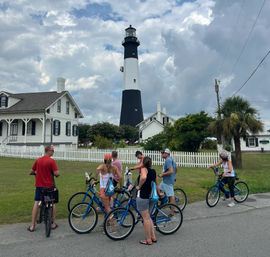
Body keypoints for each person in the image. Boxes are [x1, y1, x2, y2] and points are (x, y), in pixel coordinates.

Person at [28, 145, 60, 232]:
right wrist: (55, 174)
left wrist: (36, 173)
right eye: (52, 150)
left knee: (36, 203)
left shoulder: (38, 160)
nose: (53, 152)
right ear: (48, 151)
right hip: (49, 187)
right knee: (52, 203)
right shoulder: (51, 161)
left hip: (39, 186)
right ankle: (53, 224)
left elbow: (31, 171)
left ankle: (32, 226)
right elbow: (57, 173)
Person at [136, 156, 160, 245]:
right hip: (151, 196)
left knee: (145, 219)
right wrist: (159, 193)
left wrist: (139, 186)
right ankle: (153, 237)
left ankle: (148, 239)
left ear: (143, 163)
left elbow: (143, 178)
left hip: (143, 196)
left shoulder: (144, 170)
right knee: (149, 217)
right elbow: (156, 184)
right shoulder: (153, 171)